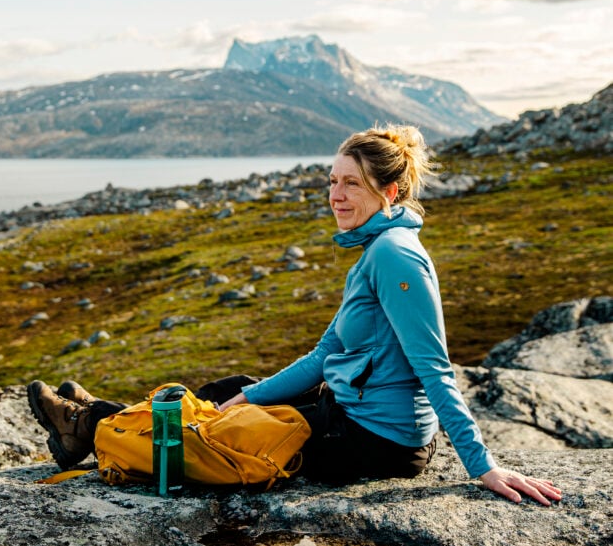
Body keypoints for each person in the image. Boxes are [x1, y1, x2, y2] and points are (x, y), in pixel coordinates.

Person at [28, 125, 562, 506]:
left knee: (224, 434)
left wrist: (483, 466)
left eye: (351, 183)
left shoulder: (395, 256)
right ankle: (99, 420)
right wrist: (253, 394)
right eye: (332, 181)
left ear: (389, 191)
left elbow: (433, 365)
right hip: (350, 409)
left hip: (376, 442)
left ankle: (88, 425)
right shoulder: (375, 250)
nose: (336, 195)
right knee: (230, 390)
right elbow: (327, 353)